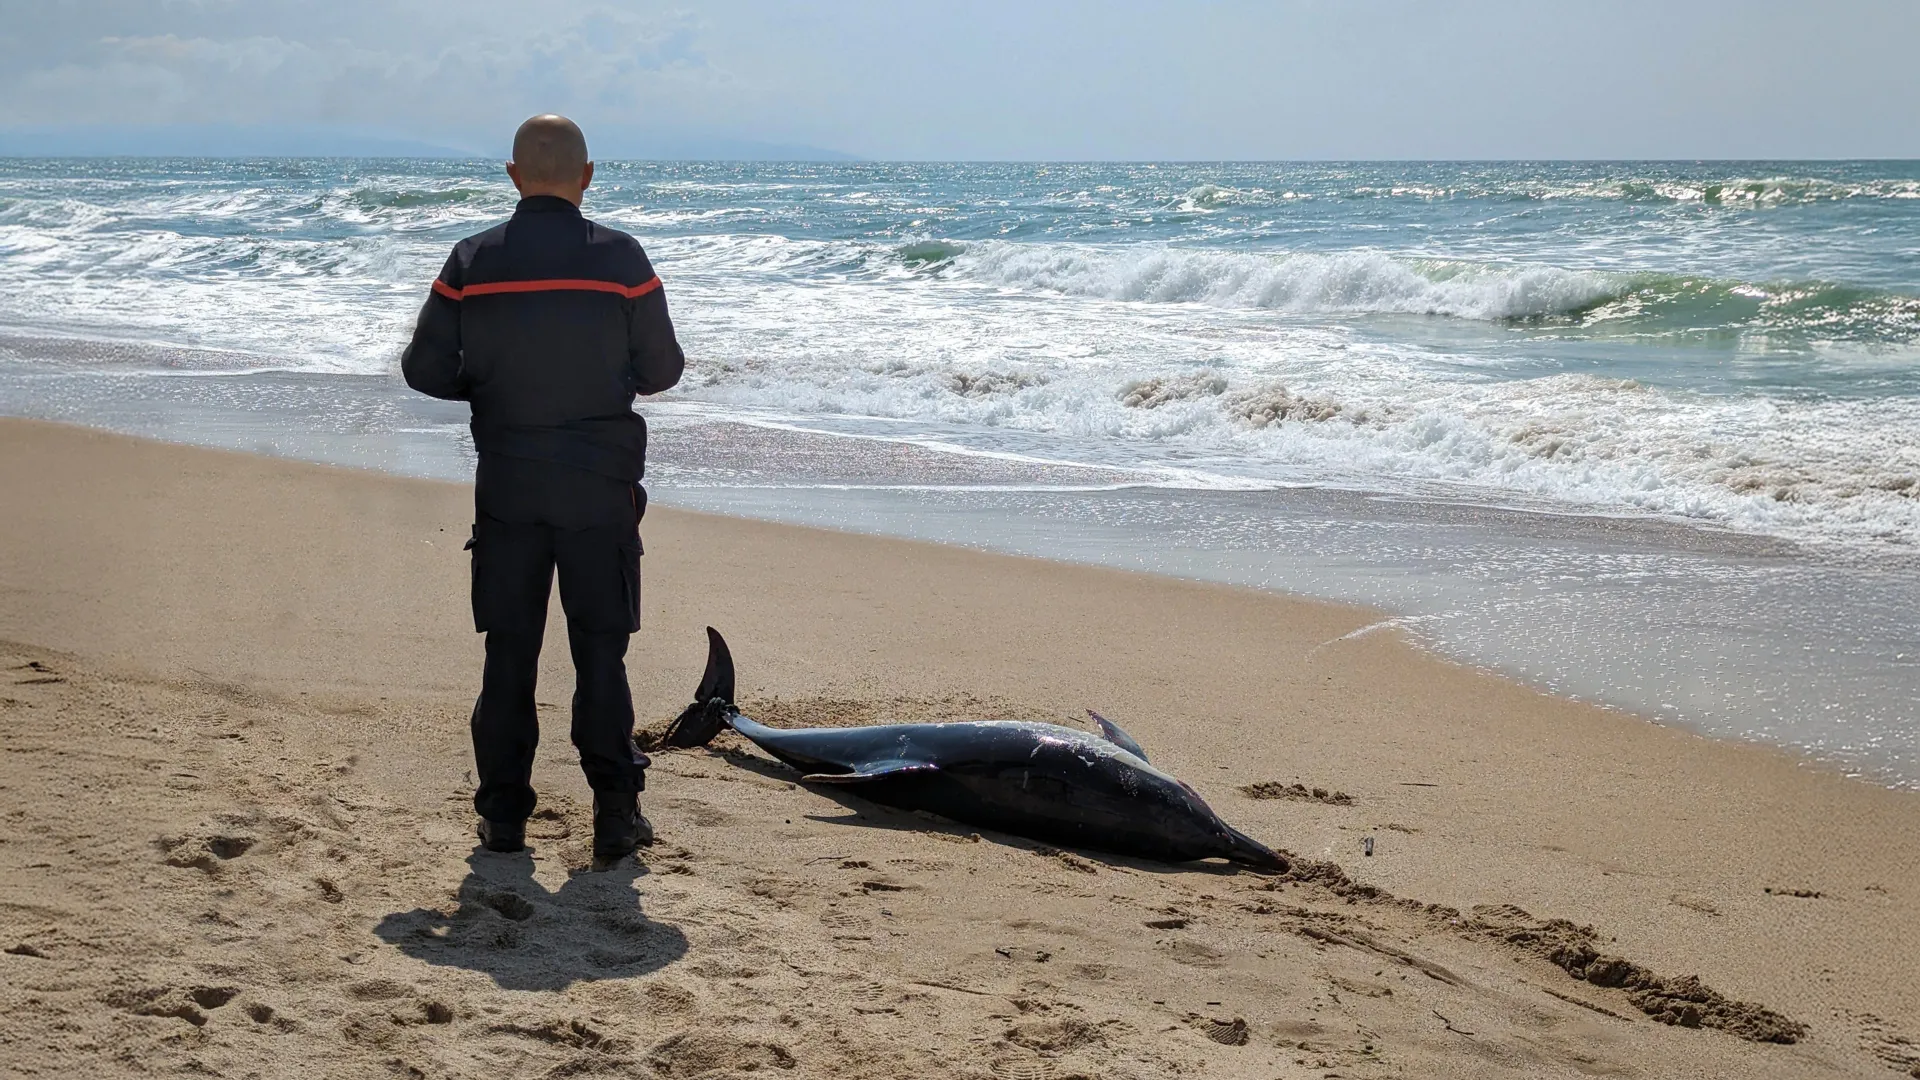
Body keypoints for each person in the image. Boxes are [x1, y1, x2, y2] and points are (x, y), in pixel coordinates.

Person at [401, 114, 685, 861]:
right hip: (600, 488)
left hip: (510, 486)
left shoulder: (472, 258)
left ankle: (502, 821)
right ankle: (616, 820)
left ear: (514, 175)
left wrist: (491, 391)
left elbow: (422, 369)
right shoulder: (623, 260)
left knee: (510, 655)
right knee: (601, 656)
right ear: (588, 177)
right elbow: (662, 371)